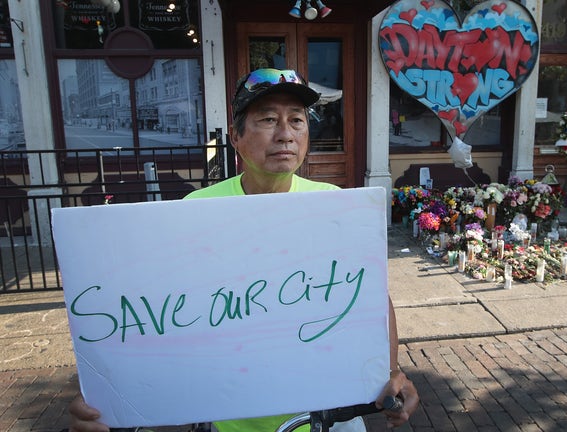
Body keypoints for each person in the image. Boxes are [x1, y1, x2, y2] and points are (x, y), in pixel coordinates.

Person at [68, 68, 419, 431]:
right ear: (236, 136)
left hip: (329, 416)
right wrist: (108, 393)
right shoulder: (196, 209)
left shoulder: (335, 206)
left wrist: (391, 371)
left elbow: (372, 298)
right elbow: (160, 314)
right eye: (268, 119)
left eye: (297, 120)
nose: (285, 134)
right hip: (234, 419)